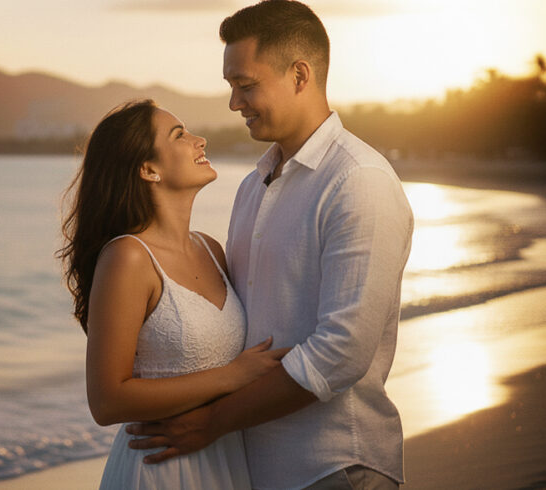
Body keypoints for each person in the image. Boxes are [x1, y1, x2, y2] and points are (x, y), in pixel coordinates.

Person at [124, 1, 415, 489]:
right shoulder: (252, 186)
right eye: (231, 86)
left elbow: (341, 351)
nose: (234, 103)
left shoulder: (357, 181)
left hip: (332, 465)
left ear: (300, 75)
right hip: (249, 465)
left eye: (246, 84)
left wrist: (213, 421)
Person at [58, 99, 289, 489]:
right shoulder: (128, 257)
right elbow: (107, 400)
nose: (200, 141)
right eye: (179, 135)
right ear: (148, 169)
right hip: (160, 469)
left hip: (225, 461)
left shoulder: (212, 251)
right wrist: (231, 376)